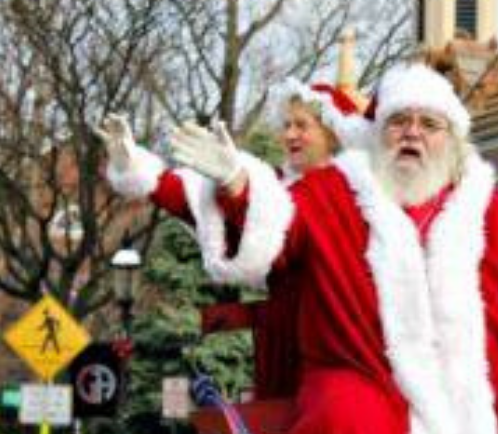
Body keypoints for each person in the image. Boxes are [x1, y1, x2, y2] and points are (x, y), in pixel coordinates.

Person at [102, 64, 498, 434]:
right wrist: (235, 181)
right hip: (364, 374)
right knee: (347, 418)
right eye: (400, 122)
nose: (412, 134)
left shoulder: (490, 208)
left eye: (429, 124)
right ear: (378, 133)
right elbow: (277, 230)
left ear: (451, 140)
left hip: (472, 376)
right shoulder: (337, 190)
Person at [97, 79, 362, 399]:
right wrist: (133, 164)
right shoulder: (274, 184)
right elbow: (196, 200)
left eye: (302, 125)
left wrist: (238, 185)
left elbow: (284, 226)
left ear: (331, 133)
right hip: (280, 344)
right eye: (287, 124)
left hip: (334, 346)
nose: (289, 134)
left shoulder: (351, 194)